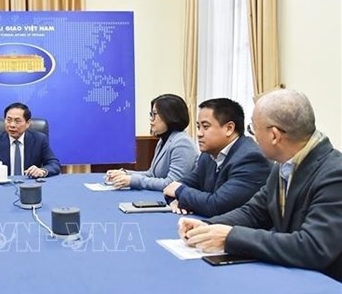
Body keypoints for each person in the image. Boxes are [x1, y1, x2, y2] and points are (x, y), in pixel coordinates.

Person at [178, 89, 342, 281]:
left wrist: (230, 237)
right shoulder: (283, 164)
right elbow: (254, 212)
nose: (252, 137)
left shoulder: (334, 173)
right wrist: (207, 227)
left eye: (252, 129)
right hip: (293, 276)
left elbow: (313, 247)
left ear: (274, 135)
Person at [163, 98, 271, 217]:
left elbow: (217, 205)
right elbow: (183, 184)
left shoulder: (251, 158)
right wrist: (176, 200)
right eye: (198, 127)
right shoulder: (208, 154)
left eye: (205, 127)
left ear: (229, 128)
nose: (199, 133)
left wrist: (180, 192)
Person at [105, 94, 197, 191]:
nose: (151, 120)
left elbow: (172, 184)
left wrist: (133, 181)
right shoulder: (163, 140)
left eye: (154, 114)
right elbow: (152, 174)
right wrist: (126, 174)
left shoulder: (182, 143)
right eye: (151, 114)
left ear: (169, 116)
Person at [0, 102, 61, 179]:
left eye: (17, 121)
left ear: (28, 123)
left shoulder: (40, 139)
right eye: (8, 120)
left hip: (30, 186)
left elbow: (54, 164)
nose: (12, 125)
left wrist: (42, 171)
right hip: (3, 188)